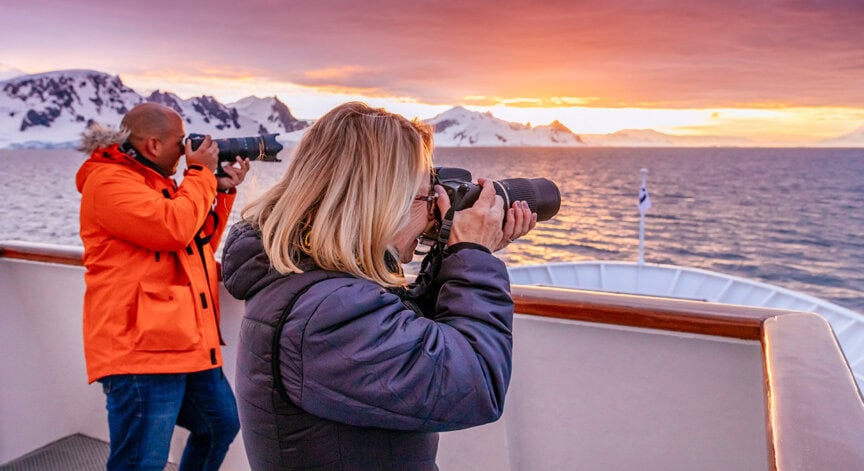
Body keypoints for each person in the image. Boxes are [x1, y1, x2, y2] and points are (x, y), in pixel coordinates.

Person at [221, 101, 536, 470]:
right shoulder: (327, 314)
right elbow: (477, 385)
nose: (435, 209)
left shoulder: (312, 282)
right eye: (426, 196)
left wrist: (456, 253)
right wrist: (475, 254)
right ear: (382, 202)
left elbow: (412, 340)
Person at [76, 102, 249, 470]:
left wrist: (219, 191)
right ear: (153, 145)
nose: (186, 150)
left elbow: (198, 243)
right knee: (141, 461)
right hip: (142, 349)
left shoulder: (159, 183)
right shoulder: (108, 182)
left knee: (219, 425)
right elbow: (172, 229)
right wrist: (200, 173)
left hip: (185, 341)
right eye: (180, 142)